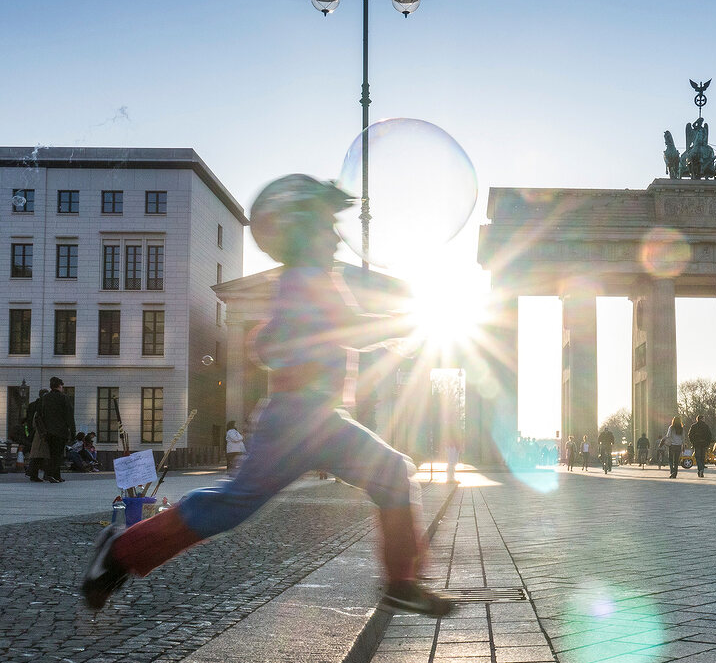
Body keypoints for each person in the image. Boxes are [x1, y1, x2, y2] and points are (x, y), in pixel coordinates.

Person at [81, 174, 454, 617]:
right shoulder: (304, 279)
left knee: (391, 474)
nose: (336, 238)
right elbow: (345, 328)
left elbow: (310, 331)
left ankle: (400, 583)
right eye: (325, 227)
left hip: (318, 418)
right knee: (231, 505)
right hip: (296, 420)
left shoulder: (312, 279)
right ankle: (121, 554)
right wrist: (406, 322)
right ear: (301, 234)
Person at [40, 377, 75, 484]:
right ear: (60, 386)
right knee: (58, 454)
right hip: (60, 431)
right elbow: (69, 416)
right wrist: (73, 431)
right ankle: (51, 474)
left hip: (49, 431)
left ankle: (56, 475)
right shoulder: (64, 398)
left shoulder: (46, 398)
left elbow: (42, 414)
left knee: (52, 453)